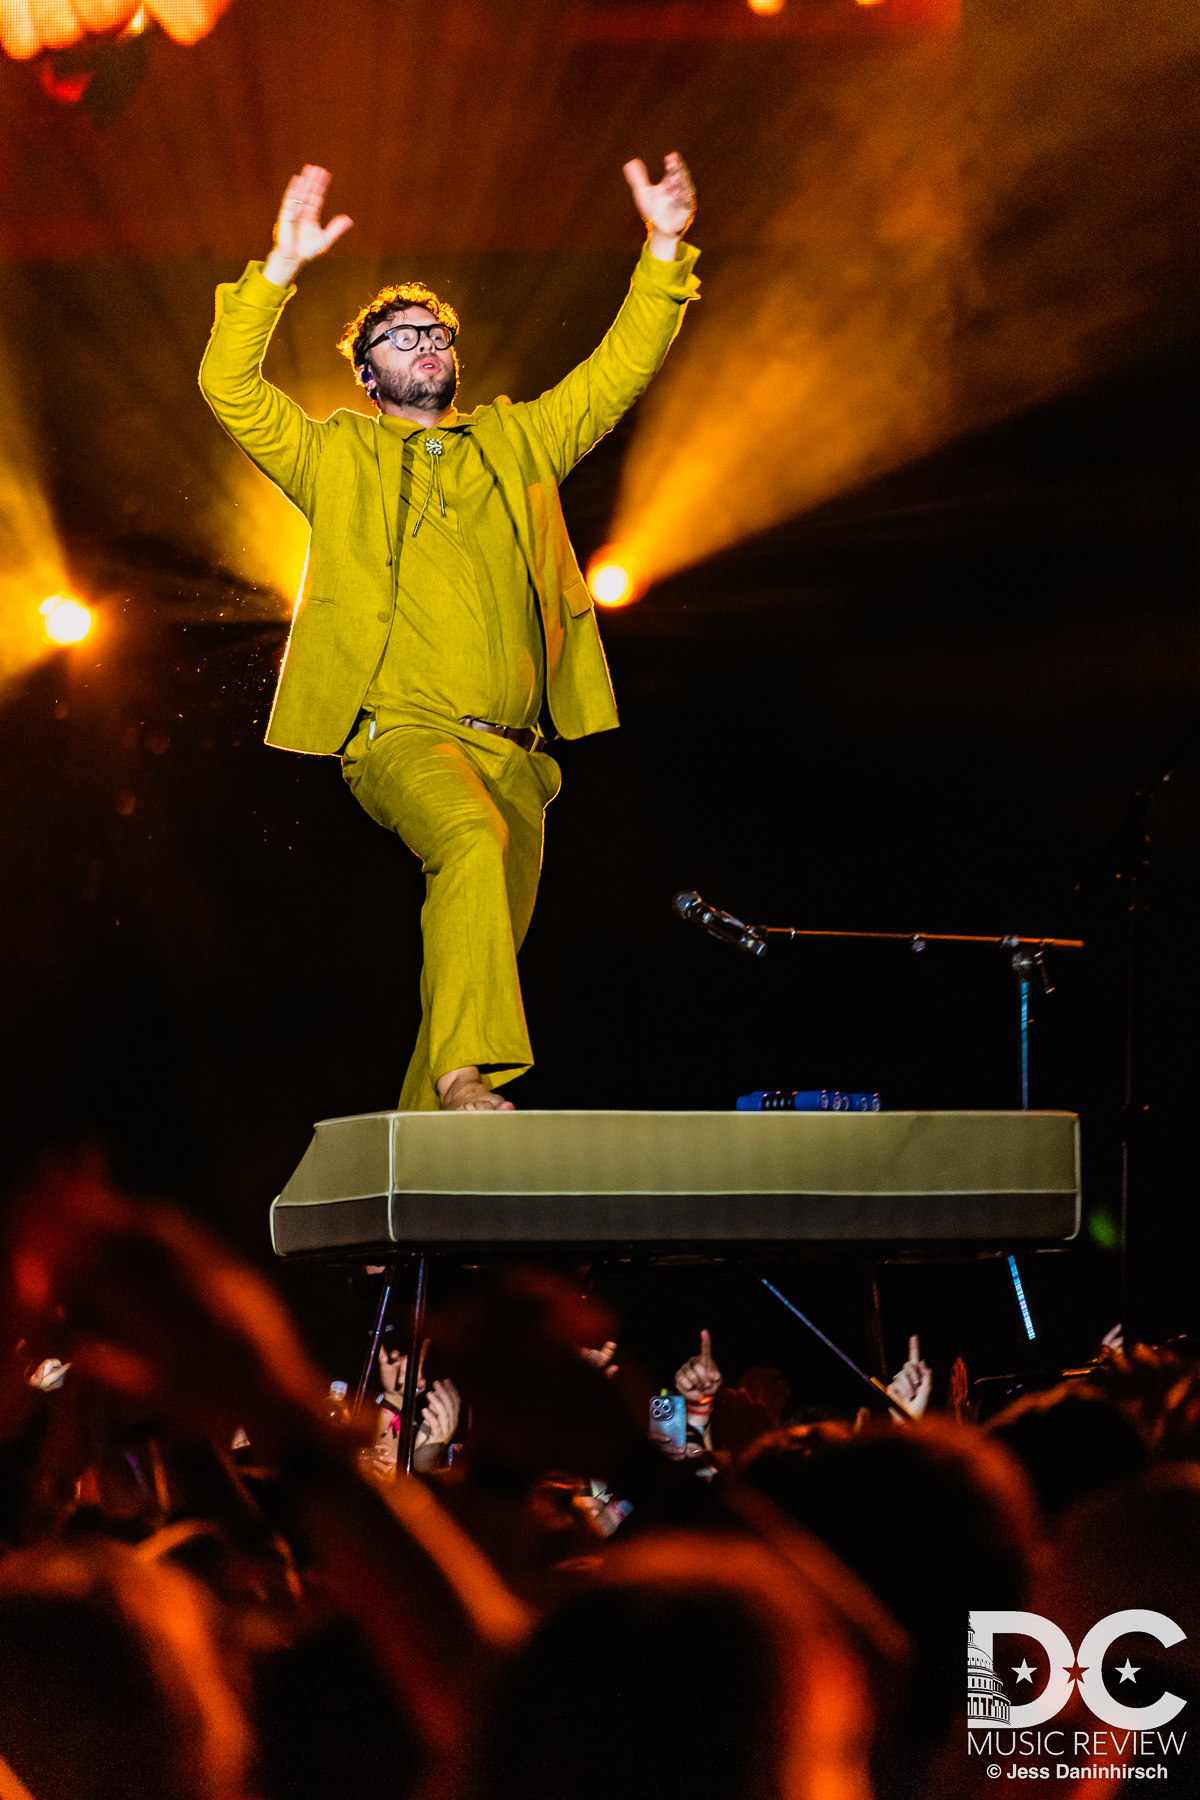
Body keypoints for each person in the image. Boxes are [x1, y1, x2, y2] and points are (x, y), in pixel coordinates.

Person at [199, 156, 699, 1112]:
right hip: (401, 736)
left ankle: (413, 1189)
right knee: (467, 842)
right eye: (397, 337)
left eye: (434, 332)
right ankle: (466, 1081)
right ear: (367, 371)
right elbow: (226, 384)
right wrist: (278, 269)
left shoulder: (520, 442)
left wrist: (664, 250)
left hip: (517, 756)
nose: (422, 343)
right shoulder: (334, 455)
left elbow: (617, 371)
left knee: (474, 961)